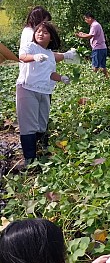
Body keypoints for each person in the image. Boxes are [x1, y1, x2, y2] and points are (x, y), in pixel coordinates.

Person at [17, 21, 76, 166]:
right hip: (28, 88)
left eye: (45, 32)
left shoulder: (49, 54)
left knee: (42, 124)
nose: (40, 34)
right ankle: (29, 159)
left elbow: (50, 74)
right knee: (29, 124)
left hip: (44, 90)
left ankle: (39, 149)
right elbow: (22, 56)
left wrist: (61, 78)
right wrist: (34, 57)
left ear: (51, 37)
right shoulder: (31, 47)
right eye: (38, 31)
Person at [76, 12, 108, 77]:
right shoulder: (96, 24)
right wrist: (82, 34)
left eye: (86, 19)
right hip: (102, 48)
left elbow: (90, 36)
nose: (85, 21)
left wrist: (80, 36)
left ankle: (92, 80)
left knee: (95, 66)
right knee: (102, 66)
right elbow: (91, 35)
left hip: (98, 48)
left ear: (90, 18)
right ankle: (108, 78)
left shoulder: (94, 25)